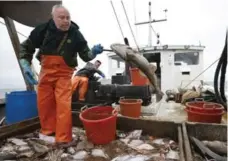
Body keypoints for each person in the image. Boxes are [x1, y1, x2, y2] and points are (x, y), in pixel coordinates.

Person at [19, 4, 104, 147]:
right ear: (53, 18)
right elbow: (26, 47)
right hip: (45, 72)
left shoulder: (76, 34)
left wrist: (94, 52)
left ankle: (64, 138)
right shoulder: (42, 30)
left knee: (63, 104)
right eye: (61, 17)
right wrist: (25, 64)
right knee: (44, 103)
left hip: (64, 74)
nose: (66, 21)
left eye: (68, 18)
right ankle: (48, 132)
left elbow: (86, 55)